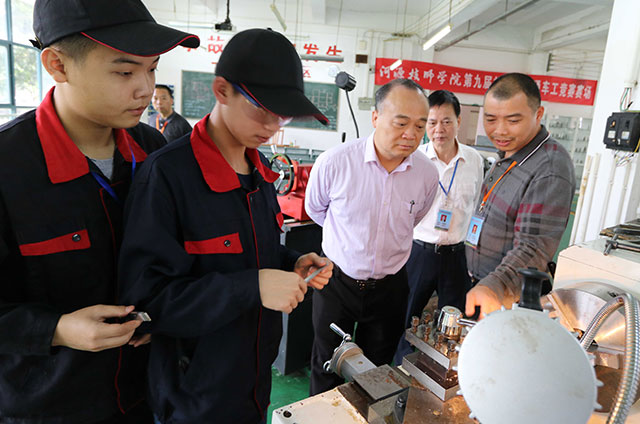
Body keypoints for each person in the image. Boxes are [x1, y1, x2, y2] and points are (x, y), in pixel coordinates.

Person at [0, 0, 199, 424]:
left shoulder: (155, 153)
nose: (146, 89)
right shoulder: (8, 168)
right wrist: (56, 329)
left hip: (146, 394)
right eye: (125, 71)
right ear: (58, 65)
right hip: (49, 406)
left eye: (151, 69)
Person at [118, 28, 334, 424]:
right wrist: (251, 287)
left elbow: (251, 255)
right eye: (262, 108)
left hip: (252, 380)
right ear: (221, 90)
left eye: (282, 113)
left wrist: (292, 262)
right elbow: (146, 301)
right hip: (193, 395)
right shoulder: (168, 177)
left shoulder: (260, 174)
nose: (273, 124)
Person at [305, 78, 439, 395]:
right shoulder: (335, 162)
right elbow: (316, 210)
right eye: (401, 122)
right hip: (336, 281)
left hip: (390, 286)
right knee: (327, 365)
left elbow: (416, 216)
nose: (411, 134)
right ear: (376, 118)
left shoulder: (426, 173)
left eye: (420, 126)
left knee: (375, 374)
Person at [464, 73, 576, 318]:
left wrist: (495, 286)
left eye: (513, 121)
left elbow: (533, 247)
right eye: (491, 119)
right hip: (482, 283)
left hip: (506, 297)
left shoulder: (550, 168)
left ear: (538, 114)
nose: (500, 130)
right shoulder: (509, 152)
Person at [394, 89, 483, 364]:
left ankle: (442, 368)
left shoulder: (475, 161)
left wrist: (473, 254)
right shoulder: (413, 160)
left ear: (458, 121)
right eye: (432, 122)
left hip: (457, 255)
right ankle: (399, 366)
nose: (439, 129)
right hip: (418, 252)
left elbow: (477, 207)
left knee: (454, 320)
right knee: (405, 315)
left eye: (446, 121)